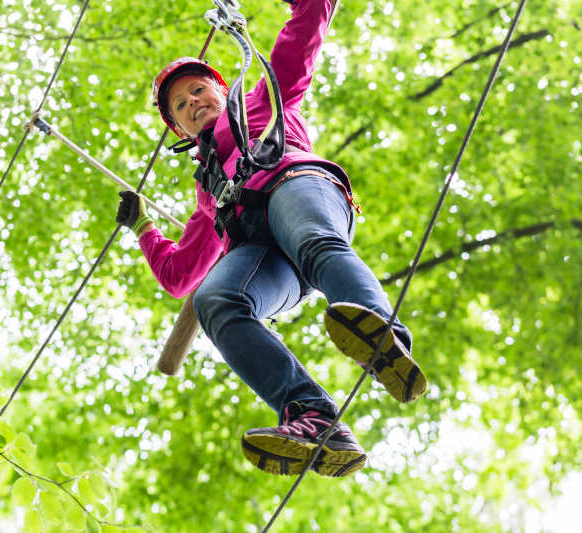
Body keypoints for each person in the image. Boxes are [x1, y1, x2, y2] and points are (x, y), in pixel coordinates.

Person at [116, 0, 426, 478]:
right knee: (216, 300)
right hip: (266, 255)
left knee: (313, 240)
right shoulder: (207, 191)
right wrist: (143, 229)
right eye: (181, 105)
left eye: (199, 91)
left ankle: (383, 334)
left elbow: (307, 23)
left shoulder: (263, 99)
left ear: (221, 91)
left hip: (297, 190)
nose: (194, 102)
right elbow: (180, 275)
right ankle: (313, 417)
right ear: (178, 129)